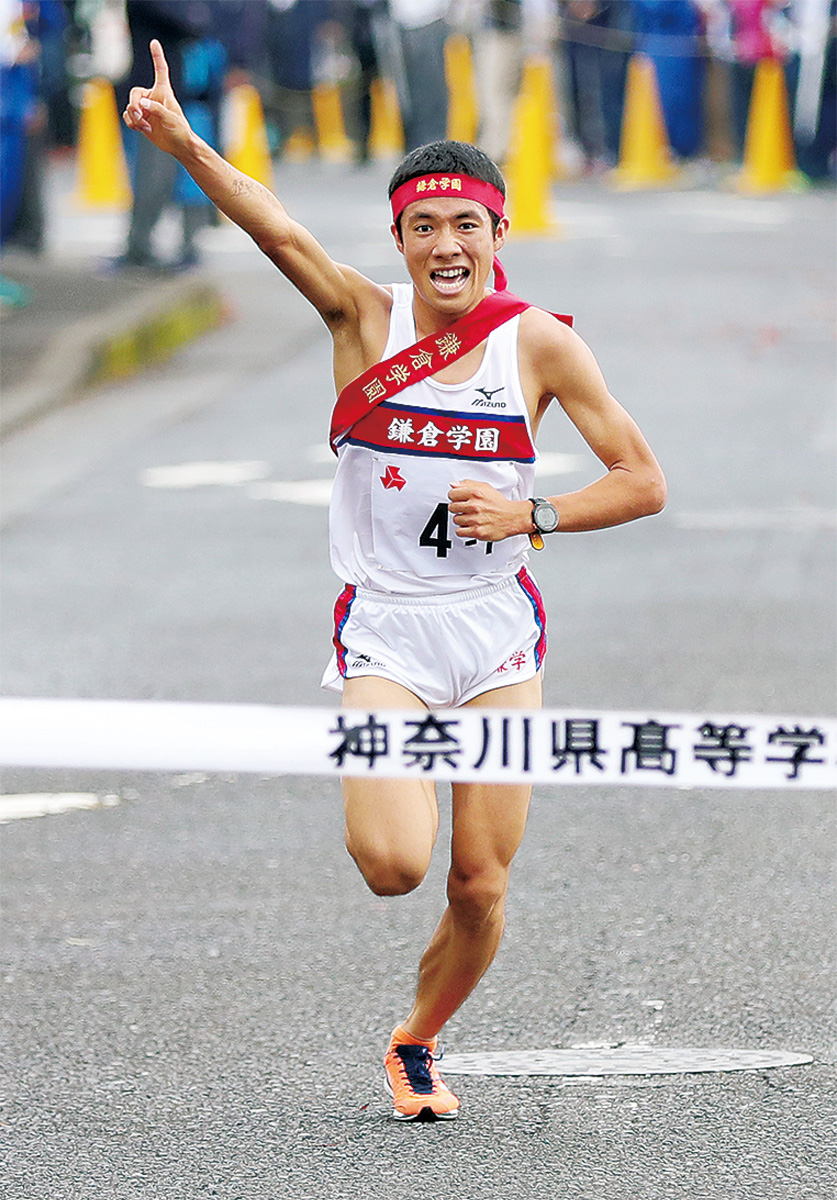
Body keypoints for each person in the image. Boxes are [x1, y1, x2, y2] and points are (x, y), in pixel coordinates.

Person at [123, 38, 666, 1121]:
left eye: (467, 224)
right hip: (387, 633)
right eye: (425, 226)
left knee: (480, 884)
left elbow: (643, 481)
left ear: (499, 236)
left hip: (497, 635)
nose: (447, 245)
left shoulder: (542, 347)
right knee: (391, 865)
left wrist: (532, 511)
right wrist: (186, 144)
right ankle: (398, 837)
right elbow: (274, 223)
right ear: (403, 241)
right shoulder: (362, 320)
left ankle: (417, 1040)